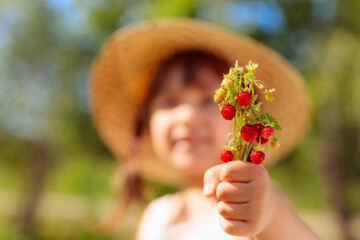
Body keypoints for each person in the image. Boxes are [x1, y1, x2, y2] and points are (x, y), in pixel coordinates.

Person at [89, 18, 320, 239]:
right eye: (170, 102)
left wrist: (269, 213)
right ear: (146, 123)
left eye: (210, 101)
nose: (188, 116)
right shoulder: (156, 216)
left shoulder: (256, 204)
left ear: (245, 120)